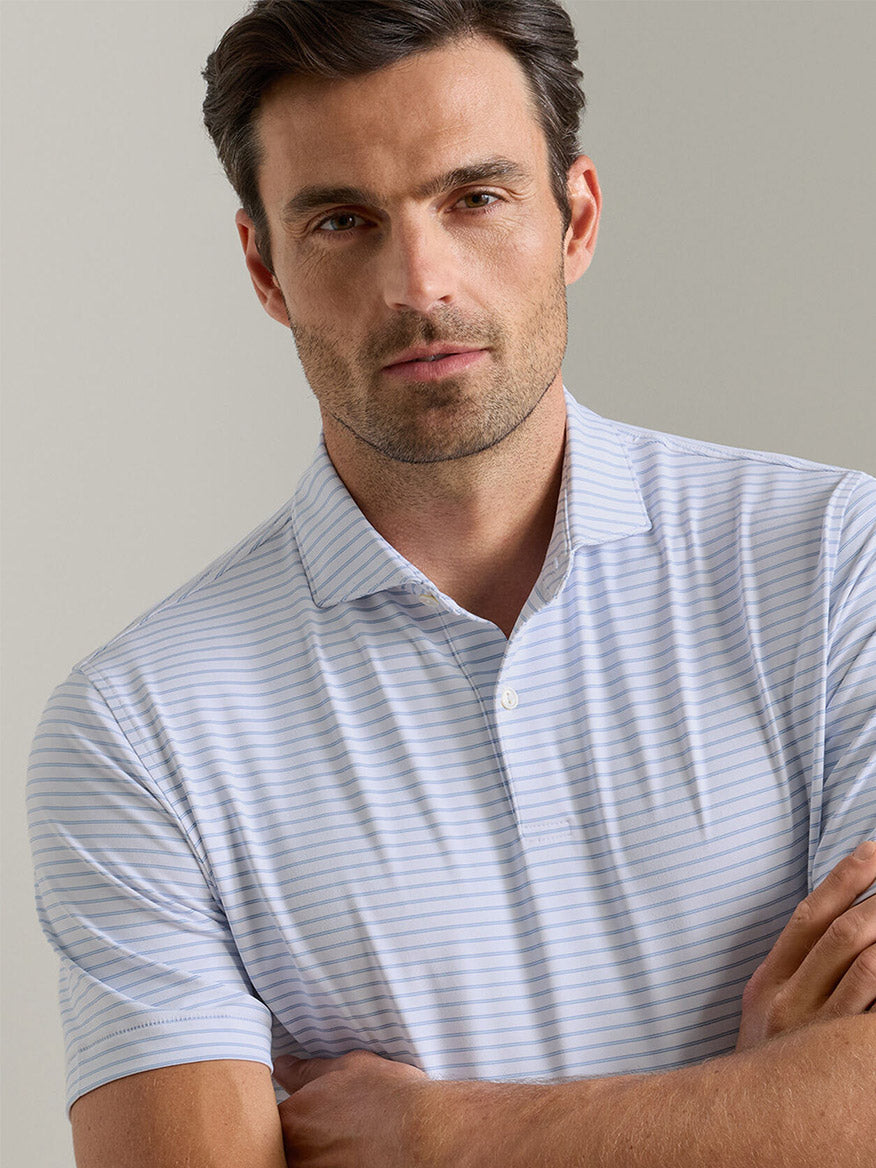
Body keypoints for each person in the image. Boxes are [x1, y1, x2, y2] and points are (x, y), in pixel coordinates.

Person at [27, 1, 876, 1165]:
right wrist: (757, 1109)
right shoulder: (141, 729)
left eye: (474, 198)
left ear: (575, 218)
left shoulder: (839, 561)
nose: (419, 281)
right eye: (341, 221)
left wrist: (452, 1138)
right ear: (264, 268)